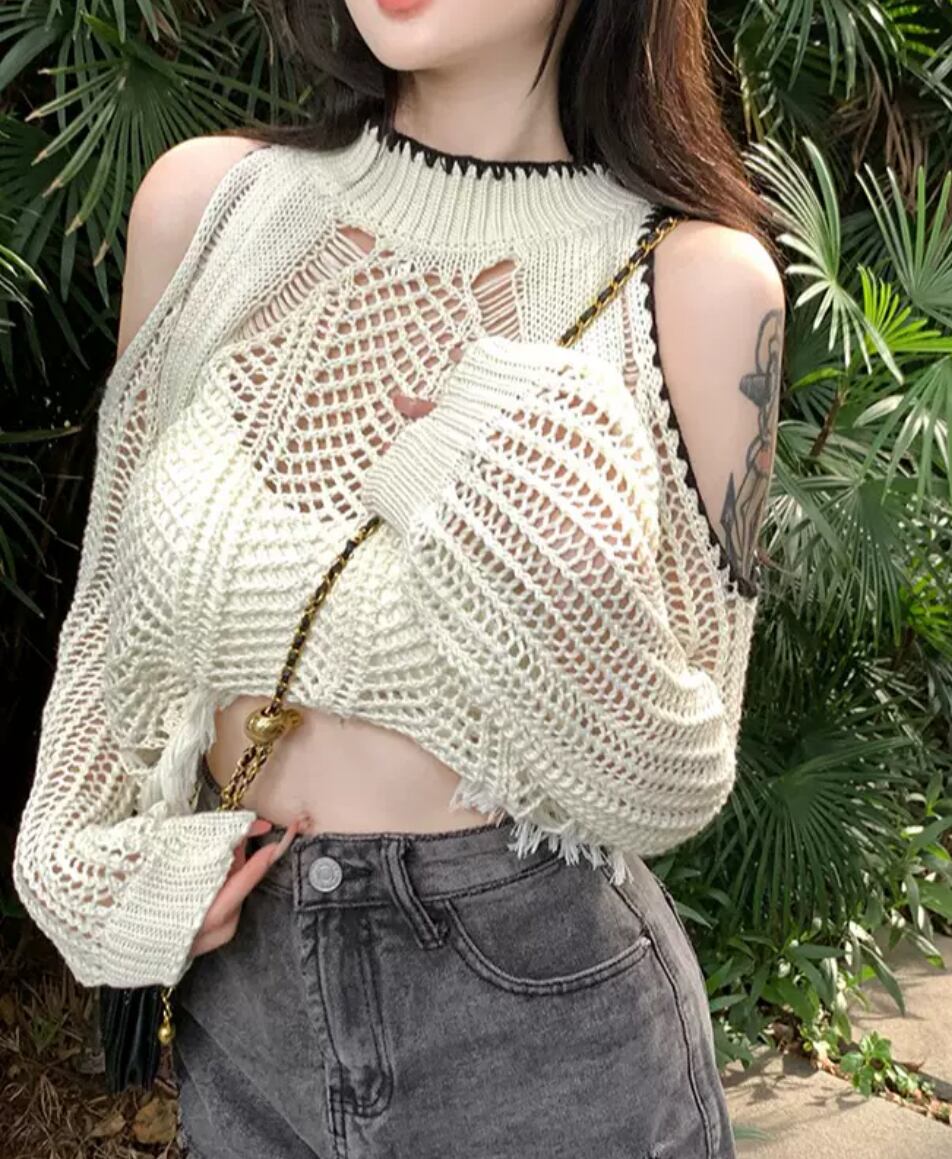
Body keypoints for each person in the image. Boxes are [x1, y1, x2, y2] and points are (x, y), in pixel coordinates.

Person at [13, 0, 785, 1155]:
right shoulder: (209, 207)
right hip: (250, 1023)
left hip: (541, 1021)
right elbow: (110, 625)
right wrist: (71, 860)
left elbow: (673, 782)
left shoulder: (695, 286)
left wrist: (505, 494)